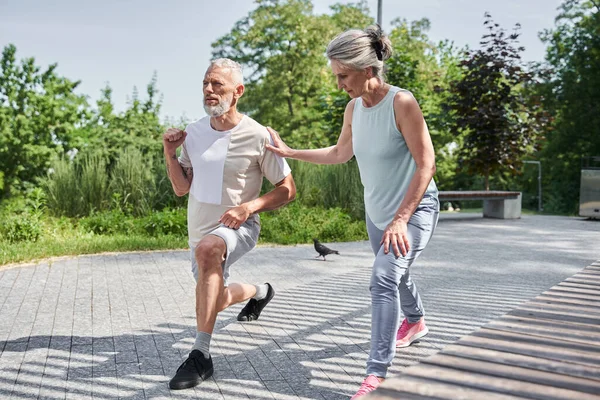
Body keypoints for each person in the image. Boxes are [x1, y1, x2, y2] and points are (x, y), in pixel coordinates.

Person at [266, 25, 439, 399]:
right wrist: (291, 152)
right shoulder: (353, 108)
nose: (339, 84)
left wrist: (401, 219)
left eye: (343, 75)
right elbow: (340, 153)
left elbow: (427, 165)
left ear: (366, 69)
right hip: (377, 213)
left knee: (383, 279)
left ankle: (375, 375)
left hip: (414, 208)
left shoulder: (402, 103)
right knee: (396, 272)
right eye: (336, 76)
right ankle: (416, 321)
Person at [162, 58, 296, 390]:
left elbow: (287, 190)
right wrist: (168, 152)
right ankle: (261, 292)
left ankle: (200, 356)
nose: (208, 90)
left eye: (217, 84)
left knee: (210, 253)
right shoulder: (193, 132)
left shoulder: (257, 134)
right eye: (205, 84)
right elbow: (181, 188)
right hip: (199, 230)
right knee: (214, 298)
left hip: (240, 227)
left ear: (237, 92)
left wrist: (249, 207)